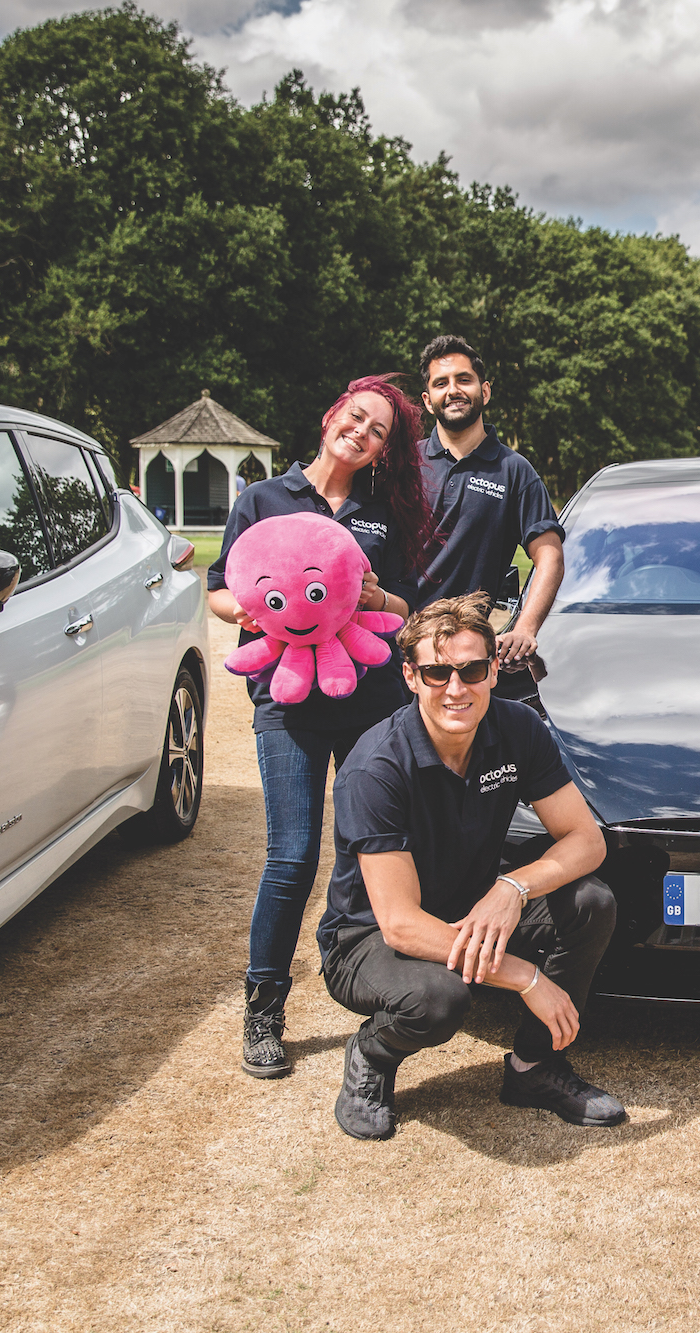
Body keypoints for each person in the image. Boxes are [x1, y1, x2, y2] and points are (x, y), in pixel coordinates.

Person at [317, 593, 623, 1141]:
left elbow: (586, 840)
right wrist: (526, 978)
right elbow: (400, 924)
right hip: (367, 939)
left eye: (472, 670)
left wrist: (513, 887)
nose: (456, 689)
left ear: (492, 671)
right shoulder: (375, 767)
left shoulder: (518, 728)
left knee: (591, 902)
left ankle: (534, 1068)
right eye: (437, 673)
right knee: (439, 1000)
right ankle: (372, 1055)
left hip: (472, 903)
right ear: (411, 677)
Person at [209, 375, 435, 1080]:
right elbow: (220, 587)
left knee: (365, 850)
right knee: (291, 854)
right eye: (357, 419)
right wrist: (244, 610)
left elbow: (411, 605)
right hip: (286, 705)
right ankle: (264, 1005)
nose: (362, 434)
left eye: (379, 434)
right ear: (333, 413)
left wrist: (380, 594)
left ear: (381, 454)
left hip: (366, 700)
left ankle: (372, 985)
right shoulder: (262, 498)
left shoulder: (382, 513)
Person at [414, 336, 564, 675]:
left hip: (464, 653)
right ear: (428, 400)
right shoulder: (406, 464)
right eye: (441, 383)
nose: (452, 390)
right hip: (396, 642)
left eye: (463, 380)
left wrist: (525, 628)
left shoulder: (514, 471)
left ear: (485, 391)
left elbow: (550, 556)